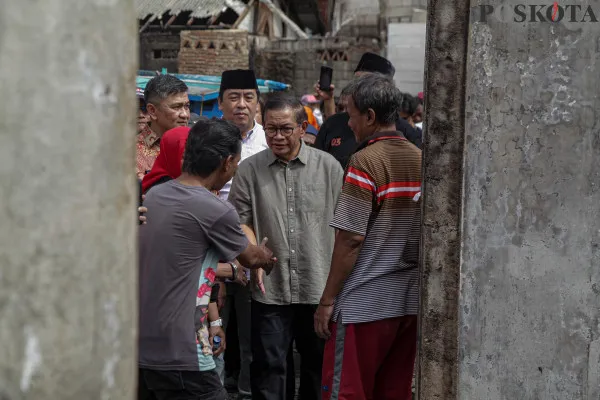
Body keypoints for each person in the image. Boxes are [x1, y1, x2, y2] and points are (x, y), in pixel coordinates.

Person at [138, 119, 277, 400]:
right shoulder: (214, 208)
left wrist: (214, 323)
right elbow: (249, 258)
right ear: (226, 162)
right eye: (236, 163)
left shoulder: (154, 195)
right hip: (184, 350)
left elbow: (188, 268)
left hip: (146, 344)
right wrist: (265, 257)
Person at [228, 94, 344, 400]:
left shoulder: (329, 168)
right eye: (270, 129)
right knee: (269, 368)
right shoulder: (249, 171)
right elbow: (239, 223)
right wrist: (251, 254)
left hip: (317, 285)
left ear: (303, 127)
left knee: (316, 368)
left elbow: (346, 227)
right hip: (271, 291)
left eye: (285, 129)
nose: (277, 136)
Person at [315, 74, 421, 400]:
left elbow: (350, 240)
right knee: (394, 391)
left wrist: (327, 301)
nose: (348, 123)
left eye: (351, 114)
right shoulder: (420, 159)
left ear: (371, 117)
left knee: (346, 392)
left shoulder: (365, 161)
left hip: (364, 304)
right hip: (409, 302)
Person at [214, 69, 269, 399]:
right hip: (212, 251)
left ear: (257, 103)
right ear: (220, 103)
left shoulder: (268, 141)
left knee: (252, 336)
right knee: (213, 330)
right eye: (233, 97)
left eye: (248, 97)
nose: (241, 104)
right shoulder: (205, 139)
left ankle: (248, 392)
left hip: (251, 251)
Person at [314, 52, 423, 169]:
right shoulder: (333, 124)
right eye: (355, 81)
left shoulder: (406, 132)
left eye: (363, 82)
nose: (355, 88)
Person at [136, 74, 190, 179]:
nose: (185, 115)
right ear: (152, 110)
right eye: (176, 107)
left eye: (187, 106)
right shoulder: (128, 154)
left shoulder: (198, 146)